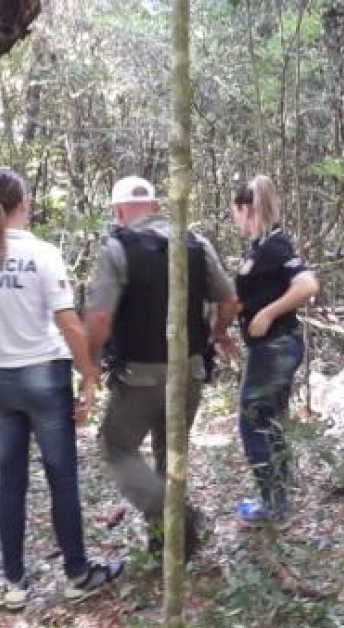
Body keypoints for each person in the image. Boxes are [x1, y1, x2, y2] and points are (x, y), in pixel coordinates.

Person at [0, 167, 121, 610]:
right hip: (43, 376)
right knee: (61, 478)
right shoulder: (42, 254)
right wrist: (89, 376)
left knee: (9, 482)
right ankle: (76, 574)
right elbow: (68, 323)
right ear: (24, 203)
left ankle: (14, 583)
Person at [84, 175, 239, 561]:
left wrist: (87, 365)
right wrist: (215, 335)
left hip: (140, 376)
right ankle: (170, 545)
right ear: (154, 207)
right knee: (171, 453)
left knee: (116, 447)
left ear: (119, 212)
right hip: (188, 370)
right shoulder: (195, 244)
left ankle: (173, 519)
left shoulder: (116, 248)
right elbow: (230, 300)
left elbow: (100, 320)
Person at [229, 175, 319, 527]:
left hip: (276, 346)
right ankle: (277, 498)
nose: (235, 220)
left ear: (245, 209)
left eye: (235, 213)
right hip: (270, 347)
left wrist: (268, 313)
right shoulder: (260, 247)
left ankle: (272, 505)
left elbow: (308, 285)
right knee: (273, 421)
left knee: (252, 421)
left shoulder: (275, 245)